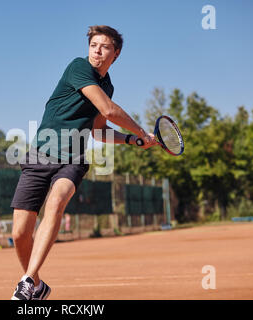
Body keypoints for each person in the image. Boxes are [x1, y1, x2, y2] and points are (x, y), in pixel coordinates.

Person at [10, 25, 159, 300]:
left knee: (57, 201)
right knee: (19, 234)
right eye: (93, 45)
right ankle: (38, 286)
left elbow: (99, 129)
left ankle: (28, 280)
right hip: (39, 154)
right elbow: (108, 110)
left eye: (104, 47)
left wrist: (130, 140)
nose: (97, 51)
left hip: (72, 158)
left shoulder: (107, 85)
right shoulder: (79, 67)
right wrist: (141, 132)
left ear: (116, 53)